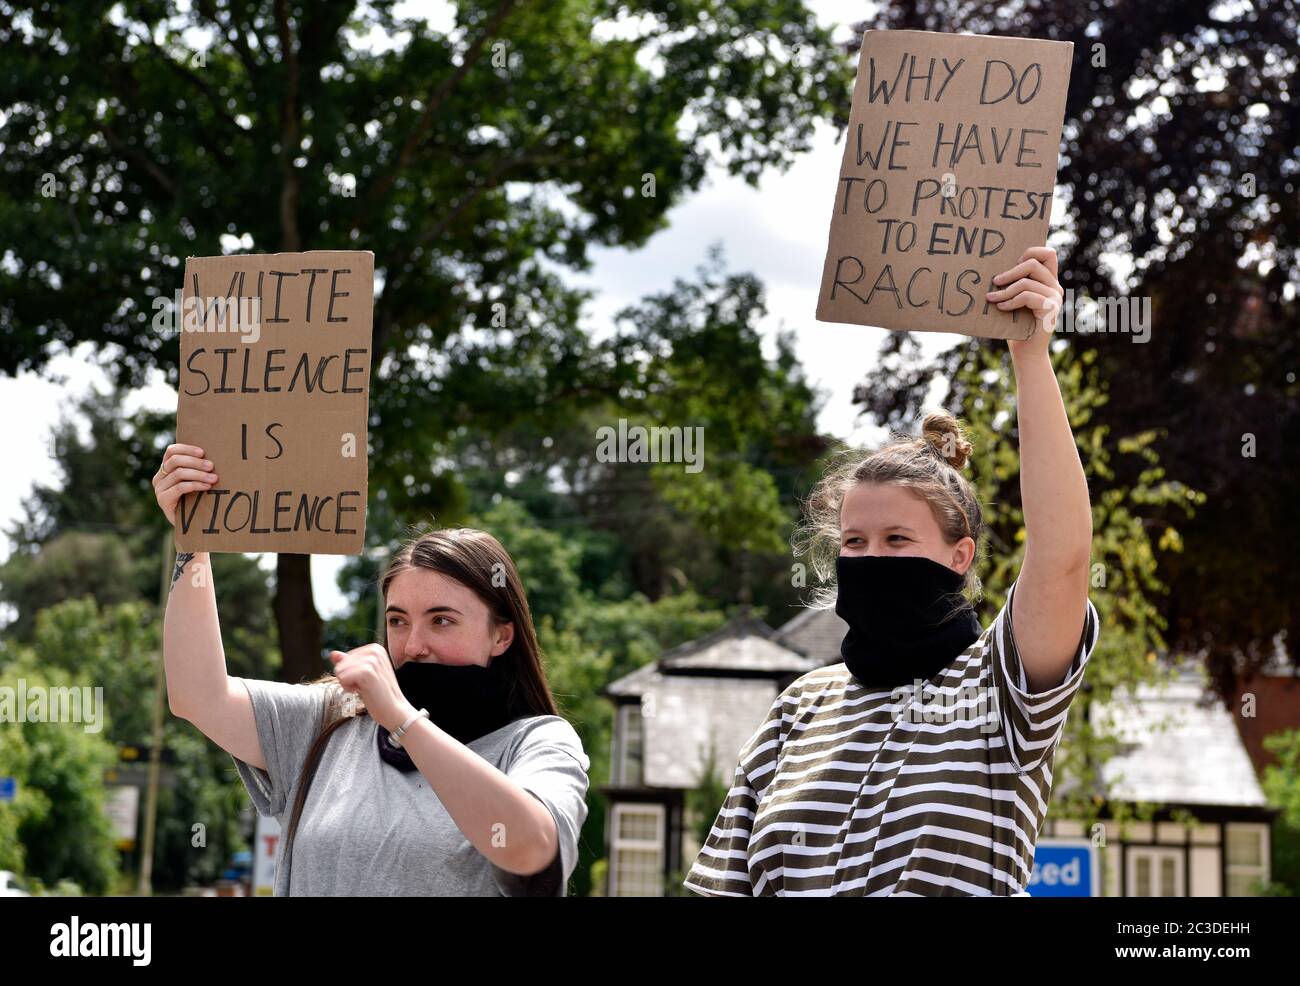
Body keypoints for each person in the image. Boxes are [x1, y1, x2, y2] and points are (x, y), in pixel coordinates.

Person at [685, 247, 1100, 896]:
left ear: (958, 557)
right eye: (855, 540)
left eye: (898, 538)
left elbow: (1063, 556)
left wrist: (1030, 354)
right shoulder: (799, 707)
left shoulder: (1003, 687)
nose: (872, 557)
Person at [154, 465, 590, 896]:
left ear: (502, 635)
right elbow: (197, 694)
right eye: (397, 621)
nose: (414, 644)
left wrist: (401, 718)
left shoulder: (536, 742)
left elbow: (531, 850)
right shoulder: (331, 719)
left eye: (442, 620)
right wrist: (193, 542)